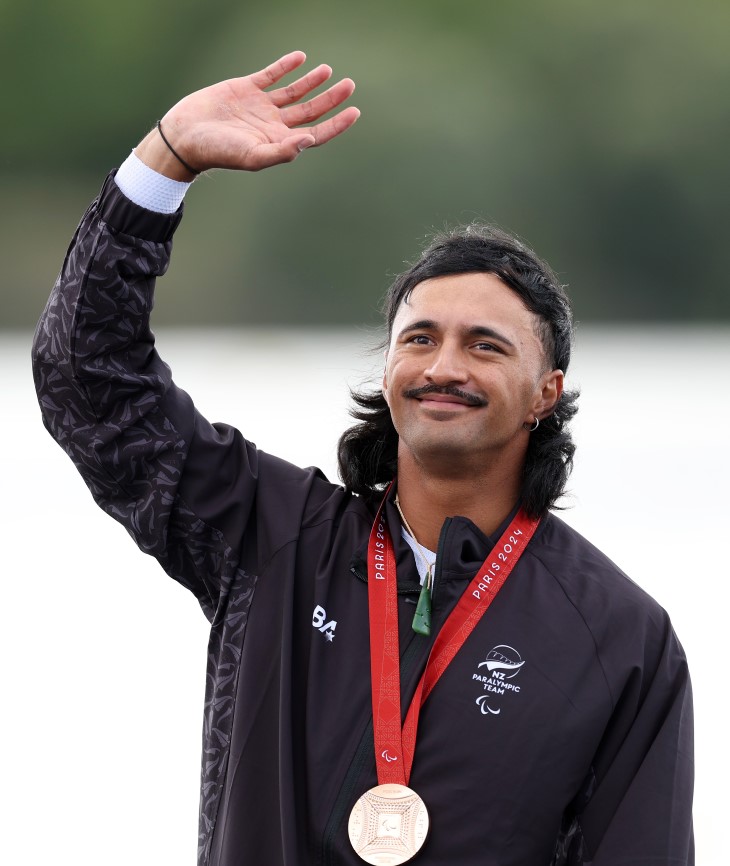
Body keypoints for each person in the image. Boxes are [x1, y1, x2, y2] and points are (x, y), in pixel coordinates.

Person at [32, 50, 694, 866]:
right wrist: (164, 163)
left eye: (485, 346)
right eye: (419, 338)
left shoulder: (621, 637)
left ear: (544, 393)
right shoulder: (270, 538)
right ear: (388, 376)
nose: (443, 365)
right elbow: (87, 381)